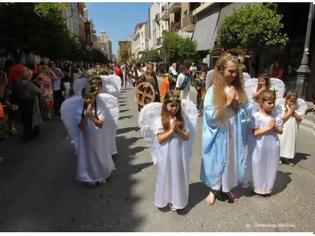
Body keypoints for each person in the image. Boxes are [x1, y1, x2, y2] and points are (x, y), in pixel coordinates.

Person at [200, 53, 251, 205]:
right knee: (217, 159)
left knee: (230, 159)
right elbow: (210, 114)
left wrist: (239, 104)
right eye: (230, 71)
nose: (233, 75)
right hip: (219, 130)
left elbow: (246, 111)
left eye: (236, 72)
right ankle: (214, 189)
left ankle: (227, 186)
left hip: (233, 128)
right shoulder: (213, 90)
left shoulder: (237, 88)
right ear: (221, 70)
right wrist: (228, 101)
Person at [153, 90, 190, 211]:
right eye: (171, 105)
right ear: (165, 105)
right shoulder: (160, 120)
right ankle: (165, 198)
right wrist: (172, 129)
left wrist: (178, 130)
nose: (174, 108)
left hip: (178, 152)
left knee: (177, 174)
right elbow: (160, 139)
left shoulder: (182, 118)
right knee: (165, 174)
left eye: (176, 105)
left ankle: (177, 199)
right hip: (165, 153)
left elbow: (186, 136)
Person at [245, 90, 283, 196]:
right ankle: (257, 186)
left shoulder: (275, 116)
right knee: (258, 164)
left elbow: (281, 131)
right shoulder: (256, 116)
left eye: (273, 102)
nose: (272, 105)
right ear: (261, 102)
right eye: (269, 103)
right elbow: (255, 133)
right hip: (259, 145)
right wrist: (269, 128)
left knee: (270, 164)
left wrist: (275, 128)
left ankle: (267, 187)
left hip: (272, 145)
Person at [76, 84, 115, 185]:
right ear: (83, 97)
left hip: (98, 137)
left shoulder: (99, 109)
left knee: (99, 154)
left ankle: (101, 174)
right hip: (87, 138)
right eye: (86, 98)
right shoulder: (79, 110)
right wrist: (85, 116)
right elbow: (81, 126)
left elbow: (100, 124)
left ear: (94, 97)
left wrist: (91, 116)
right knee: (89, 156)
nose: (88, 100)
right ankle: (91, 176)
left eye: (90, 98)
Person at [279, 90, 302, 166]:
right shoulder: (283, 108)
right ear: (286, 100)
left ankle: (287, 157)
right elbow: (282, 118)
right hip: (284, 129)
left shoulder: (297, 109)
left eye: (294, 101)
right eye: (290, 101)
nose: (292, 103)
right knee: (282, 141)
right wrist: (290, 112)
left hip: (292, 130)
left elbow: (300, 119)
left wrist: (294, 112)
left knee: (290, 143)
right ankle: (280, 157)